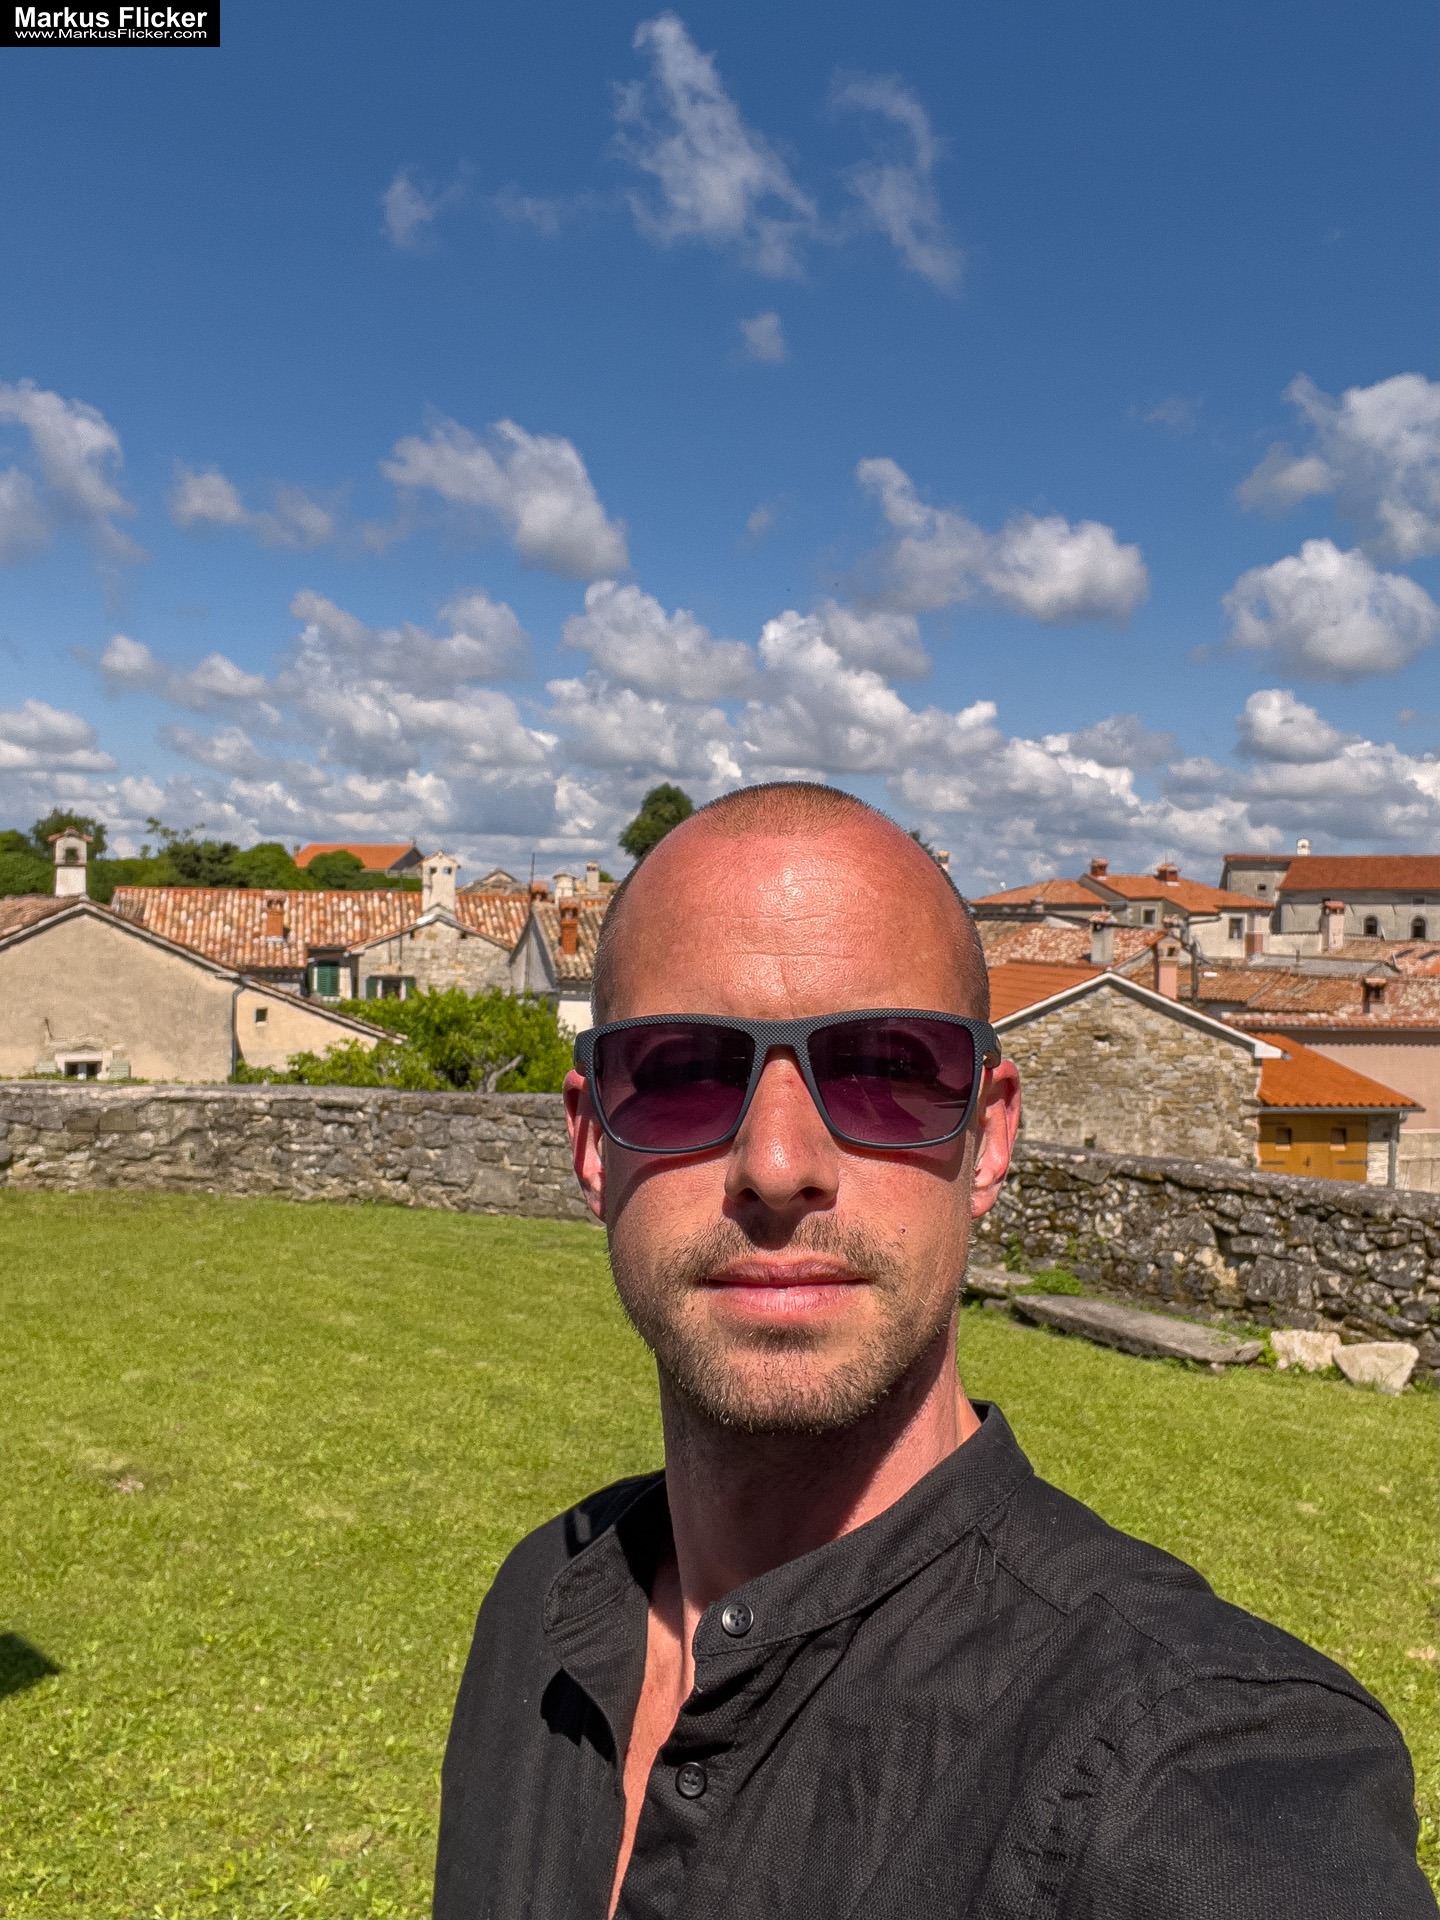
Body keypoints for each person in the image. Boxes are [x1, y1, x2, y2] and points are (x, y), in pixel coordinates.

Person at [434, 783, 1434, 1920]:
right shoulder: (537, 1611)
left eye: (885, 1070)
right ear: (590, 1142)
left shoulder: (1187, 1768)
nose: (777, 1166)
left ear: (990, 1138)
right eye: (682, 1073)